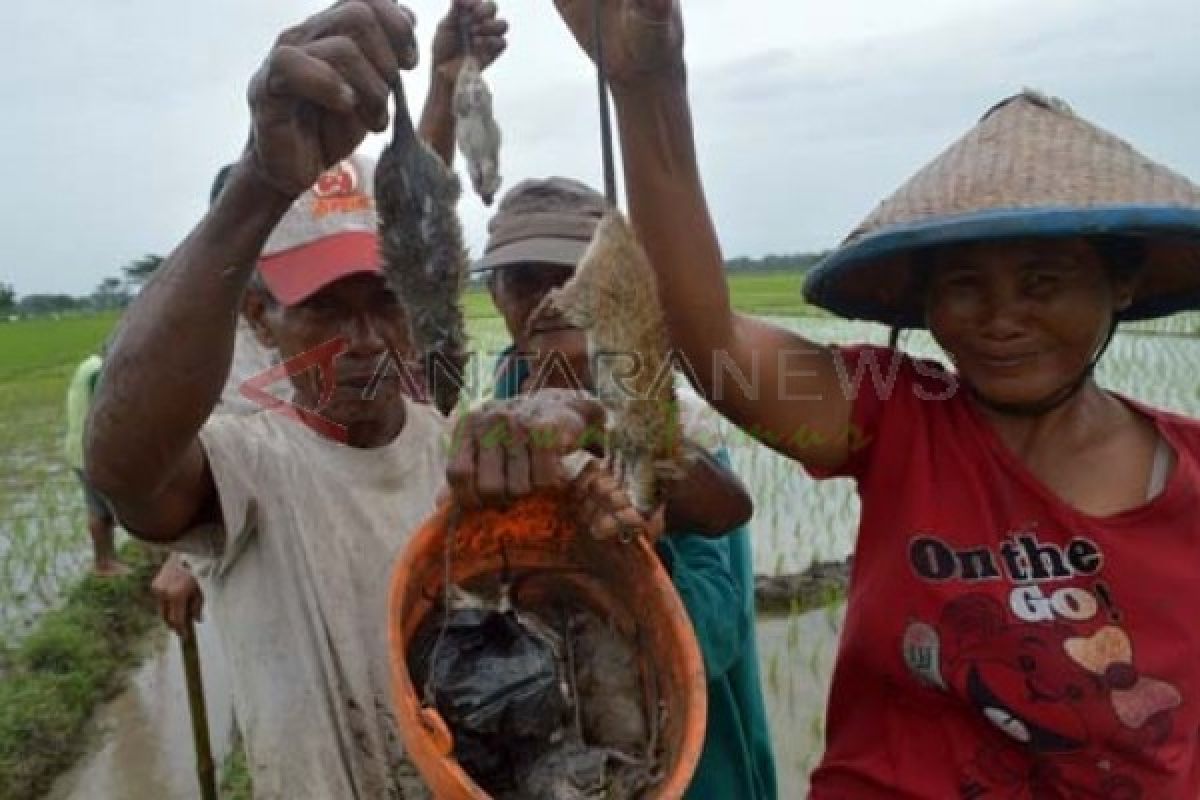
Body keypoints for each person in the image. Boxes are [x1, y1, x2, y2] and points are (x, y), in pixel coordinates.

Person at [546, 2, 1200, 797]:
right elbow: (709, 345)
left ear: (1122, 282)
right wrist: (649, 87)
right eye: (964, 286)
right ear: (922, 302)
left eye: (1043, 282)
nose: (1000, 318)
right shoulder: (902, 415)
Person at [86, 1, 518, 796]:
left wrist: (449, 79)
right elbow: (124, 468)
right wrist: (259, 181)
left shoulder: (445, 445)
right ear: (261, 317)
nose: (360, 340)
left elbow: (418, 228)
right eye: (321, 308)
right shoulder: (253, 464)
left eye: (382, 301)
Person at [475, 175, 777, 800]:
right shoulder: (488, 427)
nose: (550, 300)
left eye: (571, 276)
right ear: (496, 293)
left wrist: (627, 531)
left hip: (693, 769)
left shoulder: (672, 425)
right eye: (523, 280)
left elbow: (714, 632)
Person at [64, 347, 128, 576]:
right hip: (94, 453)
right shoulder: (100, 372)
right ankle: (106, 563)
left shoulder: (88, 365)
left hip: (79, 450)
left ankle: (104, 561)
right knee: (118, 510)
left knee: (98, 510)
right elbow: (110, 412)